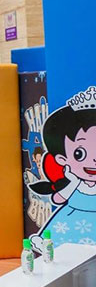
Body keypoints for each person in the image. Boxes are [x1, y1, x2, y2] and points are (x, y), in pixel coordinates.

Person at [30, 101, 96, 249]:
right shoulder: (75, 184)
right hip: (71, 222)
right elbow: (58, 198)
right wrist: (72, 182)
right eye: (79, 154)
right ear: (62, 159)